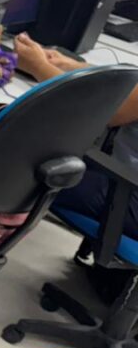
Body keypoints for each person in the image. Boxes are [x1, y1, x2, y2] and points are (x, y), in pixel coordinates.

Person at [14, 32, 138, 241]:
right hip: (125, 176)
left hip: (128, 194)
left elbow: (100, 110)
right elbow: (131, 88)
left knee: (18, 167)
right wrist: (70, 65)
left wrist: (38, 66)